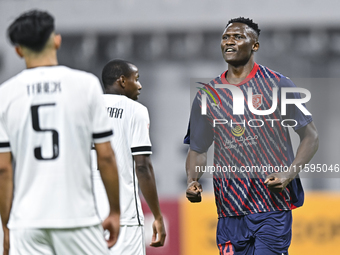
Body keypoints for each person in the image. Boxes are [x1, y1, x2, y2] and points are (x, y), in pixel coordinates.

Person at [184, 17, 319, 255]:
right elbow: (198, 149)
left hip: (271, 206)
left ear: (255, 45)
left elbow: (311, 137)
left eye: (238, 37)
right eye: (226, 37)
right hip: (228, 210)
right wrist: (192, 181)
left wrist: (288, 175)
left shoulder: (278, 84)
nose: (229, 41)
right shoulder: (208, 95)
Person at [0, 10, 120, 255]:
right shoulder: (85, 85)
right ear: (56, 40)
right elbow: (106, 155)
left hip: (27, 223)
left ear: (19, 50)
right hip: (77, 219)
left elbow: (3, 169)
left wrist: (7, 226)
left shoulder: (5, 95)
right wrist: (115, 211)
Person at [92, 59, 166, 255]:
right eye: (136, 79)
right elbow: (142, 167)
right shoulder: (136, 110)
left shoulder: (85, 109)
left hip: (87, 218)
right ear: (122, 81)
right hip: (125, 219)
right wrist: (157, 216)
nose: (140, 85)